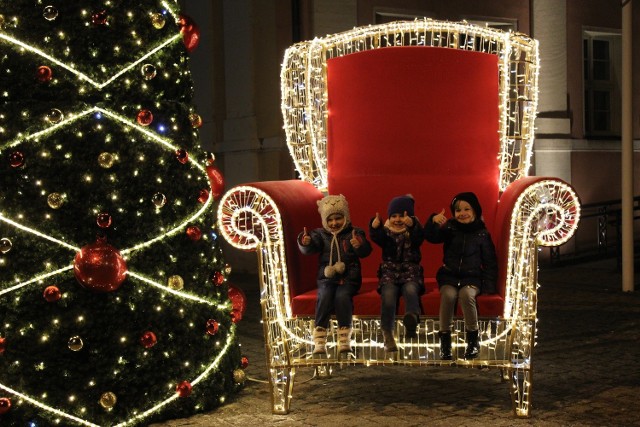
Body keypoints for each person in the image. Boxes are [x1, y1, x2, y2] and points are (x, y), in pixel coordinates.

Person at [424, 192, 498, 360]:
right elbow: (431, 237)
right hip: (449, 275)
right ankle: (445, 342)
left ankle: (473, 341)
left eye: (467, 209)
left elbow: (490, 261)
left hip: (471, 277)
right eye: (458, 210)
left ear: (475, 211)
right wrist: (433, 222)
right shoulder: (450, 228)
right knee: (448, 296)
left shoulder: (482, 234)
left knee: (466, 295)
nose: (462, 213)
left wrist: (489, 287)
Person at [298, 194, 372, 354]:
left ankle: (344, 337)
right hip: (327, 277)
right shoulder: (320, 234)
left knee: (342, 296)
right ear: (325, 221)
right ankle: (320, 337)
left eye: (338, 218)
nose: (334, 223)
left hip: (349, 278)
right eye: (330, 220)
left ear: (345, 216)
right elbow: (311, 248)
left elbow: (366, 251)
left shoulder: (355, 232)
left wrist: (359, 245)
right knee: (324, 295)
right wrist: (305, 242)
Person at [369, 194, 424, 352]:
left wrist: (412, 225)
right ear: (389, 217)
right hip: (390, 271)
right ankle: (388, 333)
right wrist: (375, 227)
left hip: (410, 270)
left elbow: (419, 238)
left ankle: (412, 318)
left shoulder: (413, 230)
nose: (398, 219)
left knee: (411, 290)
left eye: (402, 216)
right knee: (388, 295)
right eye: (394, 216)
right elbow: (377, 238)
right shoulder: (386, 231)